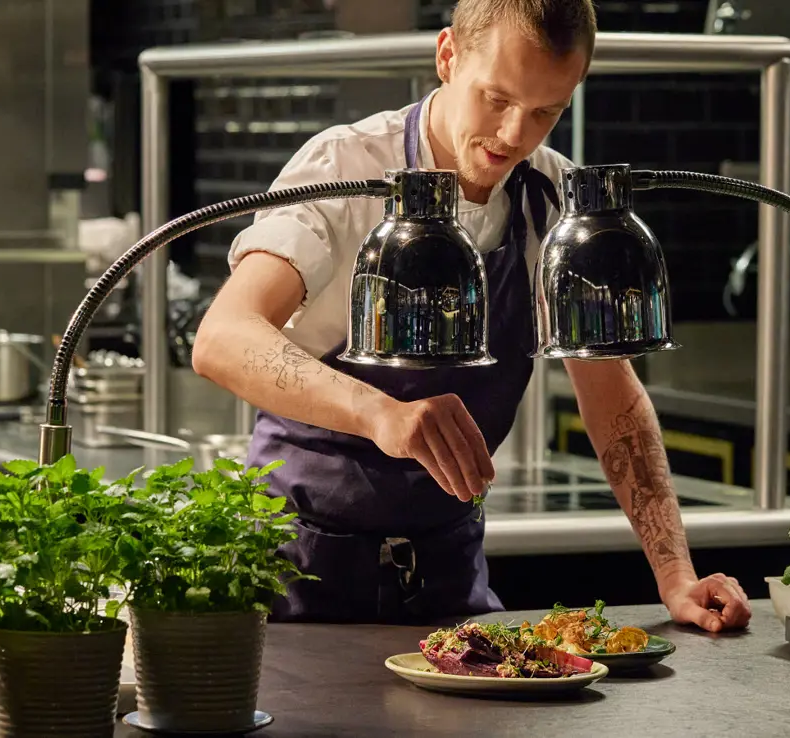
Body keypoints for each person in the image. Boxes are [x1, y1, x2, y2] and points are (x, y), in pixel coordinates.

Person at [191, 0, 752, 632]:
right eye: (497, 99)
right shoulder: (344, 171)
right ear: (447, 57)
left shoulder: (552, 203)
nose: (515, 135)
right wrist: (381, 413)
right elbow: (223, 338)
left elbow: (613, 400)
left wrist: (674, 574)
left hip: (446, 581)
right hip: (295, 577)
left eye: (547, 111)